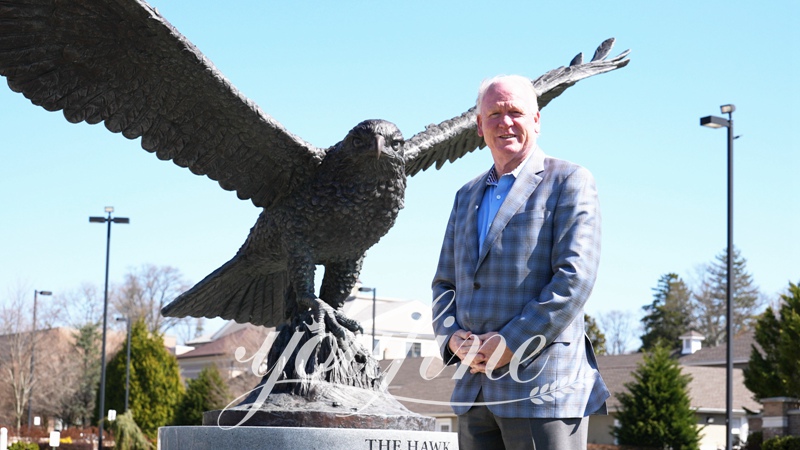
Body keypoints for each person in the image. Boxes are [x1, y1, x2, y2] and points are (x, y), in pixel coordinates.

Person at [431, 75, 609, 449]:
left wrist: (511, 343)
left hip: (542, 389)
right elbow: (444, 284)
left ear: (537, 120)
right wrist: (451, 338)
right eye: (494, 113)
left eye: (515, 111)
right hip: (473, 393)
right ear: (479, 126)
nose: (505, 122)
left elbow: (574, 279)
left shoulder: (570, 181)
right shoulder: (465, 196)